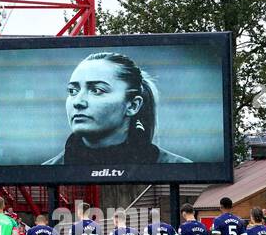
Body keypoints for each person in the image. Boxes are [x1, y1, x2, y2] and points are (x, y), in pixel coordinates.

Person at [44, 52, 192, 166]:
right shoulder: (47, 170)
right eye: (72, 91)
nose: (78, 102)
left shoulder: (179, 167)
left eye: (97, 90)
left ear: (133, 105)